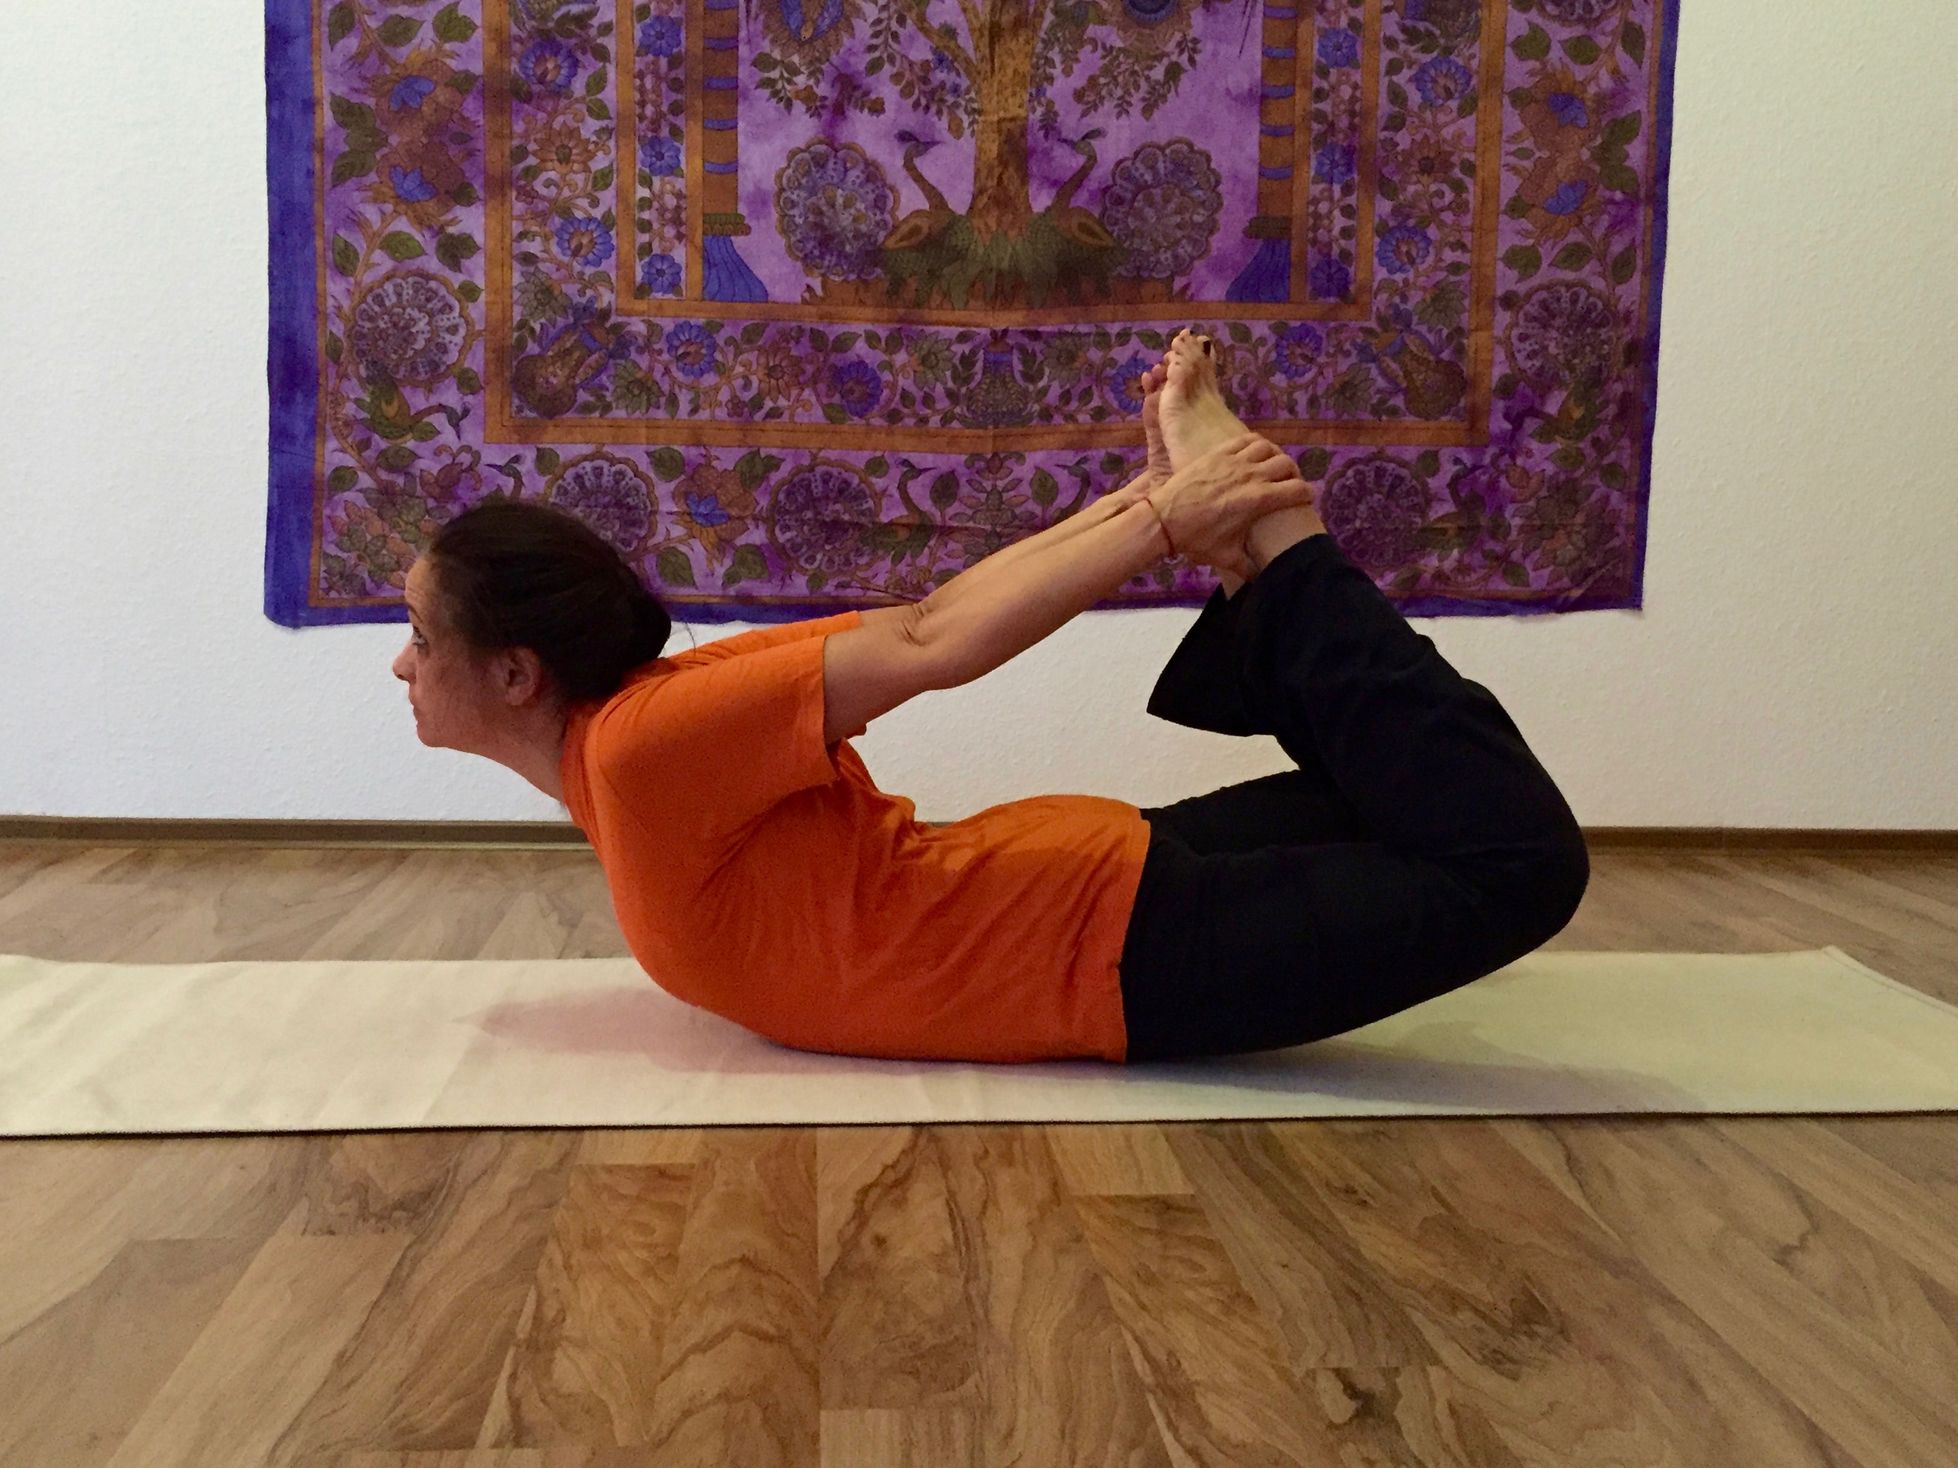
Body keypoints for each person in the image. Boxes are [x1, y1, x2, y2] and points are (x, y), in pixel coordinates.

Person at [393, 329, 1587, 1064]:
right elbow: (932, 614)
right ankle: (1258, 562)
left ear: (514, 671)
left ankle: (1280, 549)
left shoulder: (640, 747)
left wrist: (1164, 516)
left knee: (1516, 863)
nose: (400, 664)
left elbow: (932, 634)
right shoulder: (638, 747)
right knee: (1395, 797)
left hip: (1104, 951)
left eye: (418, 635)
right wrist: (1154, 503)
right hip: (1082, 898)